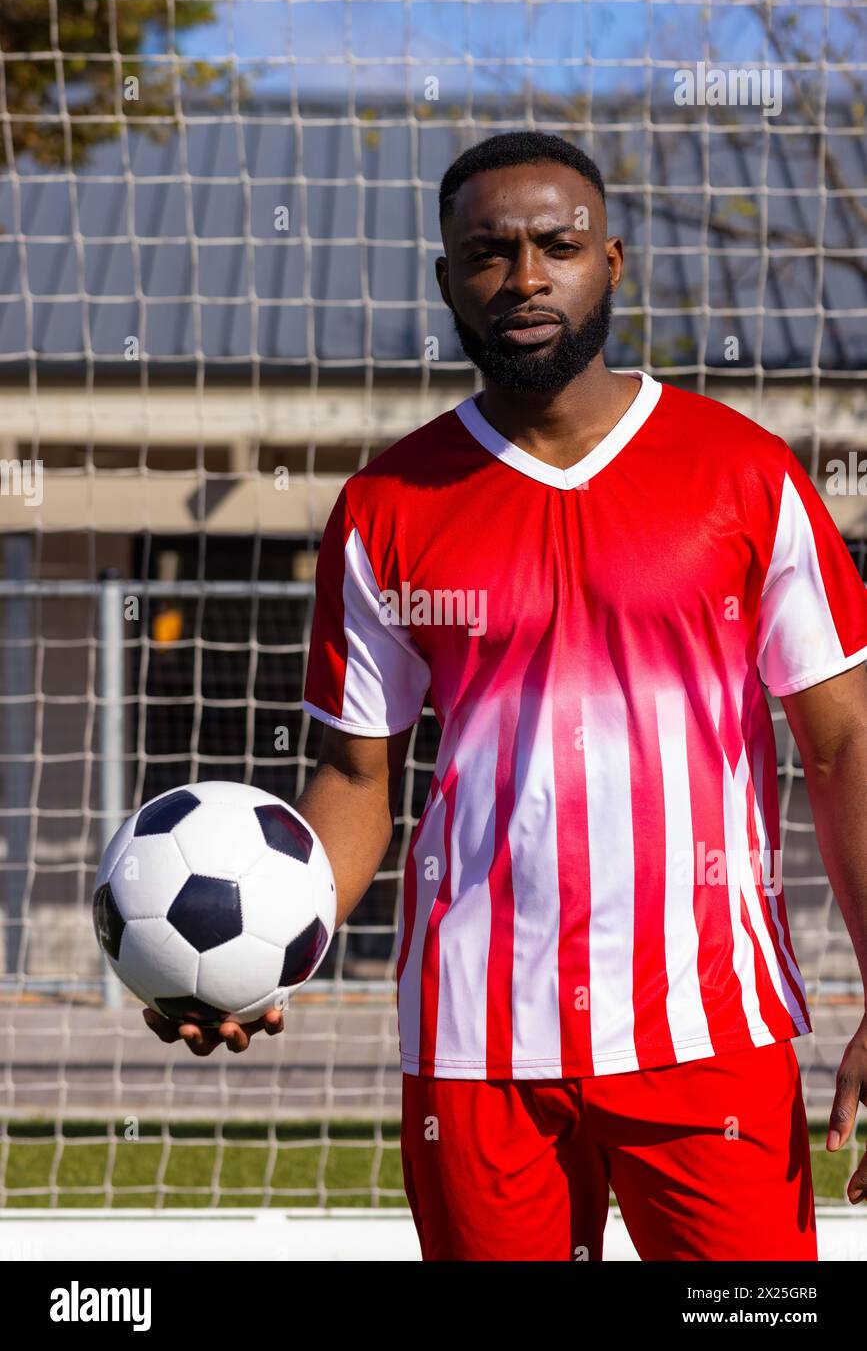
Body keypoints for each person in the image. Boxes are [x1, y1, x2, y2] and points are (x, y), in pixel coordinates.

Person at [145, 130, 867, 1261]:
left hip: (708, 1025)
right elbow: (354, 776)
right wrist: (266, 948)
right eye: (489, 253)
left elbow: (843, 743)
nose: (525, 278)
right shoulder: (387, 504)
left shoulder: (744, 471)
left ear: (610, 262)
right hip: (476, 1043)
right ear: (448, 281)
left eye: (557, 246)